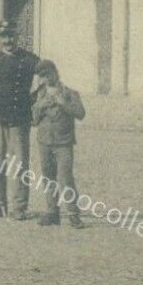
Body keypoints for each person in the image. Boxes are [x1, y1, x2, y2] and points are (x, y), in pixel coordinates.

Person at [0, 20, 40, 219]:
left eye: (11, 36)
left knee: (20, 165)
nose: (8, 40)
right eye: (4, 36)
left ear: (17, 36)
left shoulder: (30, 59)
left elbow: (48, 77)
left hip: (19, 120)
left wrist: (33, 100)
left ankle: (18, 208)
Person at [31, 59, 86, 229]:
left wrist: (64, 104)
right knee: (48, 178)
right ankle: (52, 212)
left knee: (65, 178)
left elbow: (81, 114)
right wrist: (39, 106)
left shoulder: (70, 93)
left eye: (49, 74)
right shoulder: (39, 95)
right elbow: (33, 120)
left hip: (64, 142)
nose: (47, 79)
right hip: (45, 142)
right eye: (43, 76)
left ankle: (73, 214)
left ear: (55, 73)